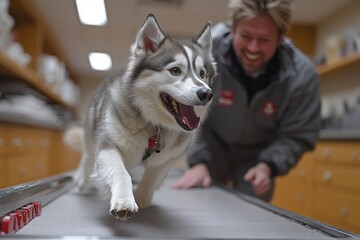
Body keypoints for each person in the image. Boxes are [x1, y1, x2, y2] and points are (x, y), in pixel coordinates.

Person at [171, 0, 321, 202]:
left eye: (264, 40)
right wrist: (199, 162)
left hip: (259, 156)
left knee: (252, 214)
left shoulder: (303, 75)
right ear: (232, 29)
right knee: (203, 203)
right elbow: (186, 111)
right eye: (246, 36)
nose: (253, 48)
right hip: (211, 147)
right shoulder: (203, 56)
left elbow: (297, 135)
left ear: (280, 38)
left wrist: (268, 165)